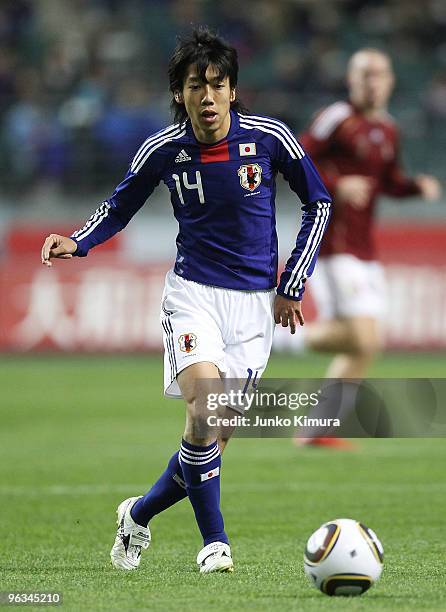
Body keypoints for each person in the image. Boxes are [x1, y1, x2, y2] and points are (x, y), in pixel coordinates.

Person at [40, 28, 331, 573]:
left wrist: (293, 281)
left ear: (232, 90)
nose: (208, 97)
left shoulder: (269, 139)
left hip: (252, 308)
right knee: (203, 407)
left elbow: (319, 202)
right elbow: (120, 205)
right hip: (192, 295)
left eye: (218, 85)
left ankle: (137, 516)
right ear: (180, 93)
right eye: (197, 85)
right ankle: (214, 543)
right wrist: (77, 241)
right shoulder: (165, 150)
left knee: (209, 438)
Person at [275, 48, 441, 448]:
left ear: (390, 81)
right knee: (364, 339)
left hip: (365, 250)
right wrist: (336, 184)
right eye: (365, 74)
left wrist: (417, 187)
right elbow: (294, 159)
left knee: (366, 345)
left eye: (379, 74)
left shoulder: (388, 129)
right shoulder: (336, 119)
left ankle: (316, 429)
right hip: (332, 243)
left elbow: (387, 182)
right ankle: (274, 337)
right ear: (351, 80)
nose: (372, 81)